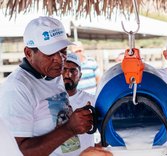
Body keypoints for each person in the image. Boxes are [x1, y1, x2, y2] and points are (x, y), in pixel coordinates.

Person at [0, 16, 94, 156]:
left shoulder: (52, 75)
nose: (60, 59)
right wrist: (70, 128)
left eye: (63, 51)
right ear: (29, 53)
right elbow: (20, 151)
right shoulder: (17, 88)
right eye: (50, 53)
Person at [62, 52, 96, 150]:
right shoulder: (47, 101)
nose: (68, 74)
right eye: (64, 69)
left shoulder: (92, 101)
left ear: (80, 75)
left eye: (73, 70)